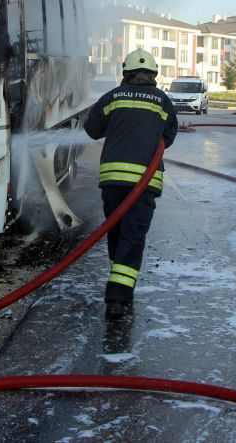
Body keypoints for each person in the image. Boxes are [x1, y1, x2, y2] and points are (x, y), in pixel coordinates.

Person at [84, 47, 178, 321]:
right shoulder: (162, 101)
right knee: (133, 238)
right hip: (144, 184)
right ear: (153, 75)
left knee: (117, 234)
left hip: (113, 182)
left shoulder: (112, 96)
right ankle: (118, 298)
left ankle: (119, 283)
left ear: (125, 73)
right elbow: (169, 136)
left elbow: (91, 130)